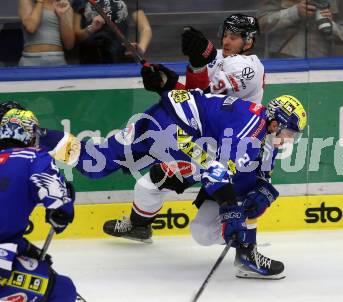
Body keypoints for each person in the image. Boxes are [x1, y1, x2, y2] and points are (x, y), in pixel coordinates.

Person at [36, 65, 307, 278]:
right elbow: (215, 172)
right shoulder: (250, 130)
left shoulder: (263, 135)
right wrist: (231, 210)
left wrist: (260, 194)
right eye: (289, 132)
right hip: (175, 128)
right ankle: (37, 136)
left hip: (182, 126)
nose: (290, 139)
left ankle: (38, 136)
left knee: (98, 161)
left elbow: (254, 178)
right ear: (274, 124)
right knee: (99, 164)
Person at [103, 13, 266, 244]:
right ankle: (139, 227)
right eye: (225, 35)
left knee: (203, 232)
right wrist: (166, 83)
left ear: (248, 42)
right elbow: (193, 96)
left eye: (234, 37)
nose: (226, 41)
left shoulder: (248, 68)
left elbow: (202, 99)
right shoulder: (220, 58)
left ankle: (243, 233)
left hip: (231, 152)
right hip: (205, 145)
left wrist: (191, 71)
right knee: (151, 181)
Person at [0, 108, 76, 301]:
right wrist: (63, 209)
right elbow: (59, 205)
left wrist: (25, 249)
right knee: (62, 289)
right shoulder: (34, 157)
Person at [257, 0, 343, 58]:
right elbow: (260, 24)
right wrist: (295, 12)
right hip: (284, 61)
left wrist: (329, 25)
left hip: (320, 62)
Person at [71, 0, 152, 64]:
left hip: (120, 58)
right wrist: (91, 28)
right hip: (90, 59)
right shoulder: (80, 1)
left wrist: (141, 47)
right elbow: (76, 37)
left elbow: (145, 28)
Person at [18, 0, 75, 66]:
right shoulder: (27, 1)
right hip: (31, 60)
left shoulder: (64, 4)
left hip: (57, 59)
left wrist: (63, 17)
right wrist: (40, 2)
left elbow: (69, 45)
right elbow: (31, 27)